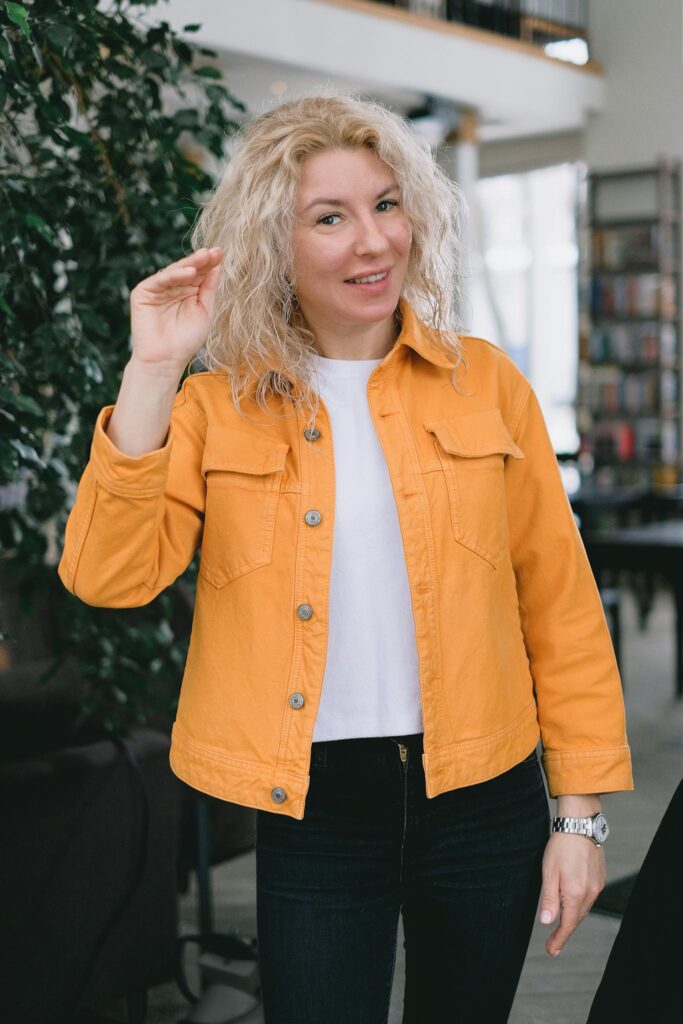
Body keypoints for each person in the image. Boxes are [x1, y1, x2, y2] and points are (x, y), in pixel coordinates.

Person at [57, 89, 634, 1024]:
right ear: (270, 244)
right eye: (328, 217)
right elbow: (108, 577)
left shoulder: (487, 383)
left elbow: (561, 610)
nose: (372, 242)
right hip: (315, 806)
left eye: (385, 204)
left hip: (485, 798)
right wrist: (154, 370)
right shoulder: (211, 407)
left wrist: (577, 819)